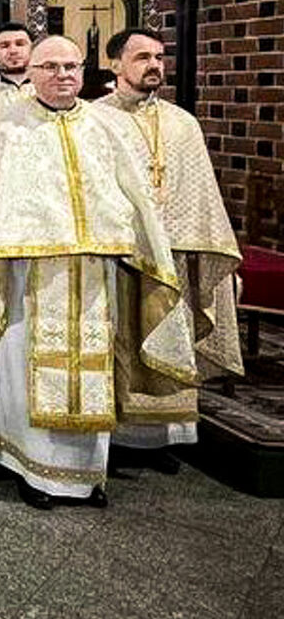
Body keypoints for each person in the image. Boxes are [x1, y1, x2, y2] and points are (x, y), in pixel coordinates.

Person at [0, 36, 189, 508]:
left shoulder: (102, 126)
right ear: (31, 72)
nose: (62, 75)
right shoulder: (6, 127)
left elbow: (132, 197)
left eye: (71, 66)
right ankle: (34, 469)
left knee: (92, 367)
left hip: (95, 271)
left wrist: (136, 245)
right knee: (23, 365)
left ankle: (86, 473)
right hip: (28, 273)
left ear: (84, 70)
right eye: (50, 66)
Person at [95, 27, 243, 469]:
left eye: (159, 56)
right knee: (121, 339)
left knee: (169, 337)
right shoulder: (96, 118)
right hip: (123, 252)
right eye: (142, 57)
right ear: (116, 64)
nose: (154, 65)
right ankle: (118, 436)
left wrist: (205, 245)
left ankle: (161, 439)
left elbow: (201, 192)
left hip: (173, 254)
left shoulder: (184, 123)